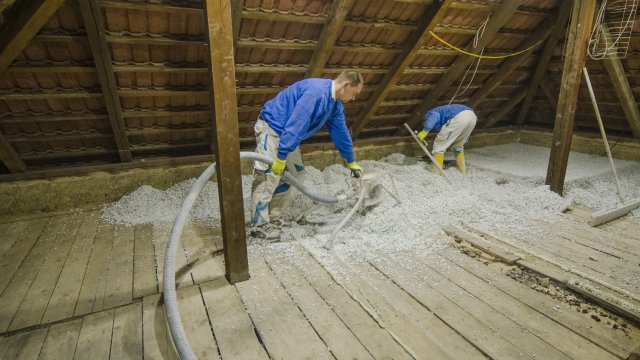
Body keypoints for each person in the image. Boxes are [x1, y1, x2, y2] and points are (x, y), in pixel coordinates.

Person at [250, 71, 364, 241]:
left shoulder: (334, 105)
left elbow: (341, 132)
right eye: (354, 93)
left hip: (288, 135)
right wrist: (281, 156)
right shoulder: (315, 93)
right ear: (346, 85)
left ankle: (273, 218)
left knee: (296, 175)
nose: (354, 98)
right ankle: (259, 225)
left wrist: (351, 161)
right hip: (272, 129)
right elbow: (297, 123)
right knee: (268, 175)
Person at [415, 104, 477, 175]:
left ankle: (436, 172)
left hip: (459, 117)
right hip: (472, 117)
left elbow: (434, 116)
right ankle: (462, 170)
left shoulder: (430, 113)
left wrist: (425, 131)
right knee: (458, 146)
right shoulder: (443, 112)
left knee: (439, 145)